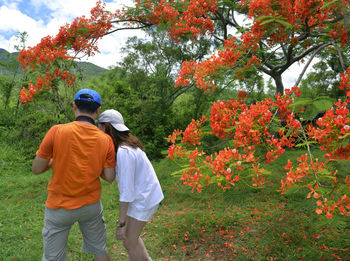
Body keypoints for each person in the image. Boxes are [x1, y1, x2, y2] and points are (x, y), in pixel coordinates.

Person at [32, 89, 116, 261]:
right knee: (100, 250)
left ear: (74, 106)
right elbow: (109, 177)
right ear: (98, 110)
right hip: (91, 206)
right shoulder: (105, 139)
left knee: (52, 257)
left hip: (59, 206)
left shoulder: (56, 131)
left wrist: (55, 159)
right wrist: (94, 162)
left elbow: (37, 168)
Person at [97, 109, 164, 261]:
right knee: (130, 239)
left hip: (143, 199)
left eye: (100, 126)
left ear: (107, 127)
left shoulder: (124, 151)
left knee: (129, 241)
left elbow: (127, 191)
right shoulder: (127, 145)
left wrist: (122, 223)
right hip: (144, 196)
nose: (98, 130)